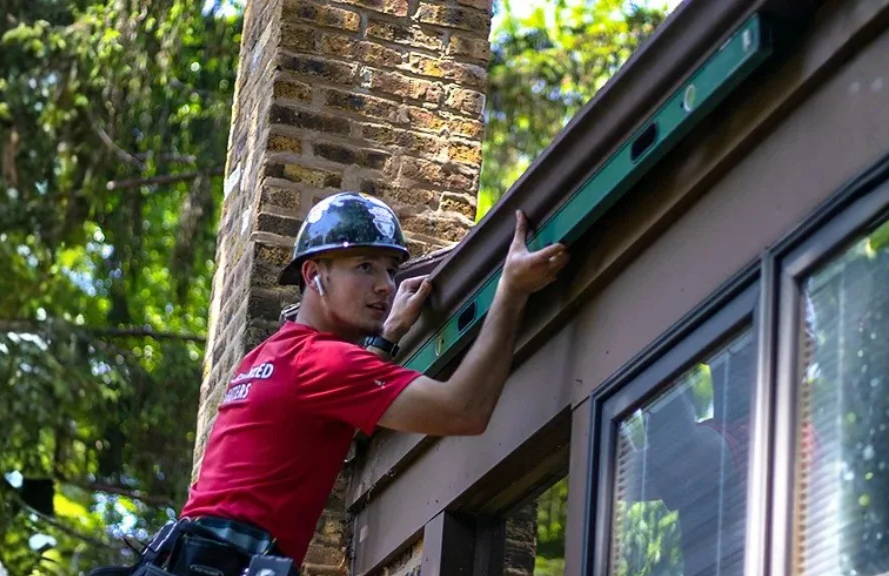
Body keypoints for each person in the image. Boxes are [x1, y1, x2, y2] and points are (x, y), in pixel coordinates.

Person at [91, 192, 569, 576]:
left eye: (390, 268)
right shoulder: (323, 364)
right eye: (364, 266)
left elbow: (336, 411)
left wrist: (386, 338)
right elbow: (463, 410)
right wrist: (511, 290)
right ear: (313, 276)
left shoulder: (268, 356)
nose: (385, 284)